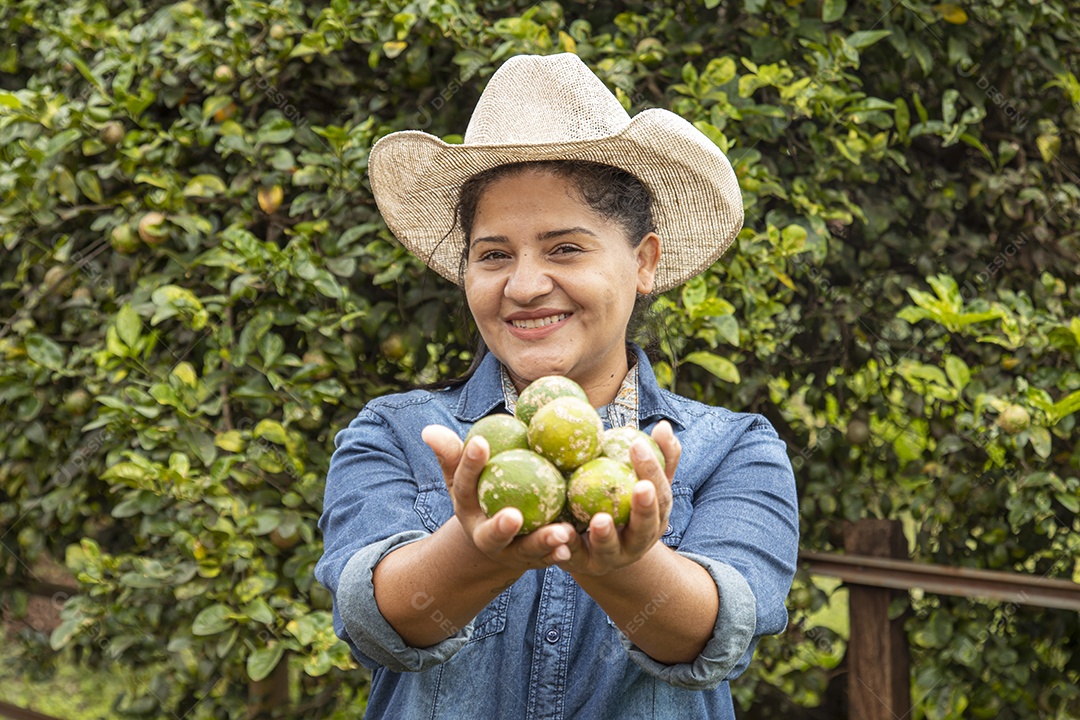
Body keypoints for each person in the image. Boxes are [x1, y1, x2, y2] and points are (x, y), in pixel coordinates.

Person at [315, 53, 799, 719]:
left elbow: (712, 632)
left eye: (565, 248)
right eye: (493, 255)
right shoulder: (397, 434)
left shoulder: (735, 449)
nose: (523, 285)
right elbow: (380, 618)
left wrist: (622, 566)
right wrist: (475, 551)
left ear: (643, 262)